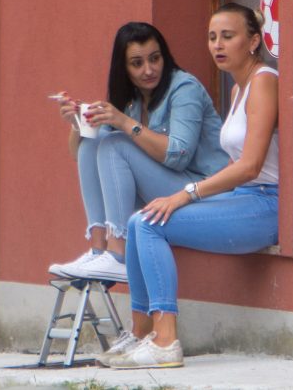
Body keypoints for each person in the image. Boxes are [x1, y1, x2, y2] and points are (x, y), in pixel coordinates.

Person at [101, 3, 279, 369]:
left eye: (227, 36)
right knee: (140, 219)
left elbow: (250, 166)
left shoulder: (264, 81)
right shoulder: (238, 89)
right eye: (212, 37)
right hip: (243, 198)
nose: (217, 45)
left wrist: (188, 194)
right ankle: (143, 332)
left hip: (265, 205)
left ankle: (165, 341)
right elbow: (235, 164)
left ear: (253, 42)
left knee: (149, 224)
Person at [49, 22, 229, 282]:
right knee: (95, 139)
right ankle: (99, 249)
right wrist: (78, 124)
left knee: (114, 144)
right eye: (137, 63)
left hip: (204, 192)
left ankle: (118, 254)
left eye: (155, 59)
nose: (149, 70)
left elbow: (178, 156)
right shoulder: (133, 97)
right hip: (169, 192)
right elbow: (80, 155)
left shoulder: (184, 88)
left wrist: (125, 123)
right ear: (123, 68)